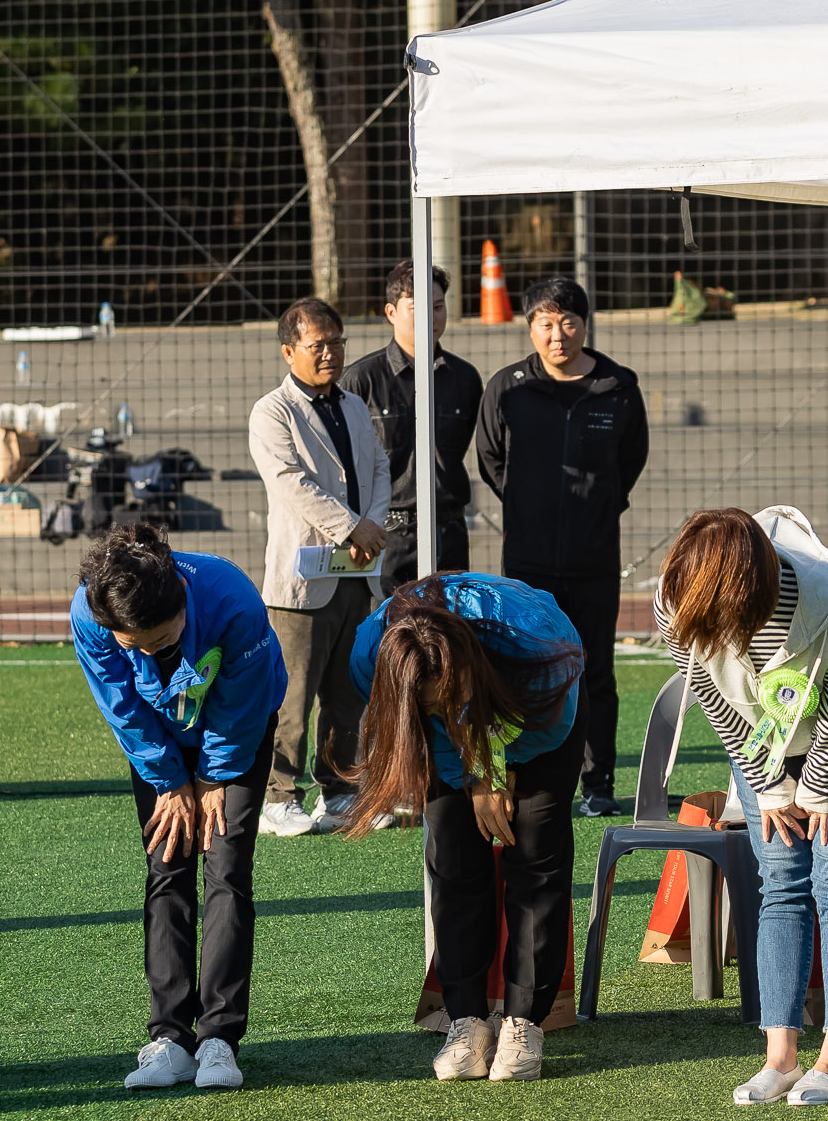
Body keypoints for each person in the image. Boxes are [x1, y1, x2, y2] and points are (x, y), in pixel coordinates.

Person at [655, 507, 828, 1106]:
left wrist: (813, 787)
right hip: (758, 731)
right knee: (781, 881)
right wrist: (768, 787)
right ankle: (780, 1055)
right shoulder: (674, 599)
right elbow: (711, 696)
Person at [72, 523, 288, 1093]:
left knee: (226, 863)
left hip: (235, 732)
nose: (147, 653)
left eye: (161, 642)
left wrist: (214, 775)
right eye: (132, 645)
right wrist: (171, 782)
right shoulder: (89, 613)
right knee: (166, 865)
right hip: (158, 745)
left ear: (183, 607)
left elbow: (243, 702)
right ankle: (169, 1035)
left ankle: (219, 1037)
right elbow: (121, 706)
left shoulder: (232, 599)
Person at [344, 573, 584, 1083]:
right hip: (447, 748)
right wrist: (474, 775)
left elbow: (554, 723)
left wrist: (498, 768)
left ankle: (525, 1022)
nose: (445, 709)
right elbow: (422, 725)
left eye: (450, 697)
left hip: (534, 724)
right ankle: (467, 1020)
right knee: (453, 859)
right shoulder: (370, 657)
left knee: (535, 858)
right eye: (431, 702)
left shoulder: (541, 648)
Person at [476, 277, 648, 819]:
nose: (558, 334)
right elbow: (490, 460)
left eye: (568, 321)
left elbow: (631, 461)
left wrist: (593, 506)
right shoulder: (508, 387)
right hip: (526, 563)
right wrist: (530, 507)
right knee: (524, 668)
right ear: (530, 328)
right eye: (546, 324)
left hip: (594, 560)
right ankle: (526, 776)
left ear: (584, 324)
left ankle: (597, 785)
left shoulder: (618, 386)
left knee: (595, 673)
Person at [250, 297, 390, 837]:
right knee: (291, 693)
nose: (331, 353)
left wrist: (371, 529)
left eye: (337, 343)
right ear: (289, 352)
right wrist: (353, 528)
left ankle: (339, 792)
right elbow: (289, 483)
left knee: (347, 691)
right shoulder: (272, 411)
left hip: (356, 569)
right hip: (301, 578)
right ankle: (278, 796)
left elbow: (379, 466)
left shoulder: (353, 405)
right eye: (318, 346)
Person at [344, 263, 483, 585]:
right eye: (418, 308)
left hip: (448, 532)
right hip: (384, 534)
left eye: (438, 307)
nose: (432, 317)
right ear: (391, 312)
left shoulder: (464, 379)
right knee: (390, 632)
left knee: (448, 631)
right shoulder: (362, 380)